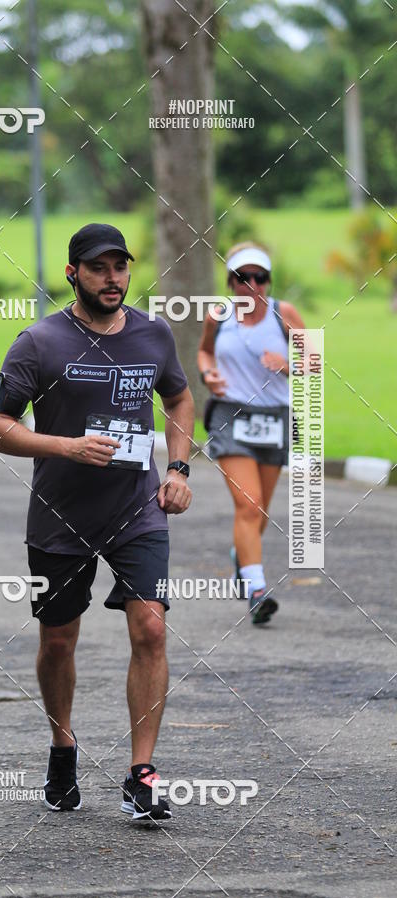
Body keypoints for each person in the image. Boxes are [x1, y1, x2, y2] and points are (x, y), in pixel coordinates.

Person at [0, 223, 194, 821]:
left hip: (137, 510)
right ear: (73, 273)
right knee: (57, 641)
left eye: (120, 266)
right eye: (98, 268)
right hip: (60, 515)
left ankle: (141, 773)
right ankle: (62, 743)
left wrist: (177, 467)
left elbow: (178, 398)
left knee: (150, 629)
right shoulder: (39, 342)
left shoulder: (153, 334)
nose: (112, 278)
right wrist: (66, 447)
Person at [197, 241, 305, 625]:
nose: (252, 285)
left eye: (260, 278)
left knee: (260, 512)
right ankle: (257, 590)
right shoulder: (218, 316)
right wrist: (208, 374)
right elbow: (205, 352)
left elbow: (315, 363)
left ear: (269, 282)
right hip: (231, 417)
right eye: (244, 278)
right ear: (231, 282)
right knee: (250, 505)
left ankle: (241, 555)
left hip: (275, 418)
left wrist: (287, 363)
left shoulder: (283, 315)